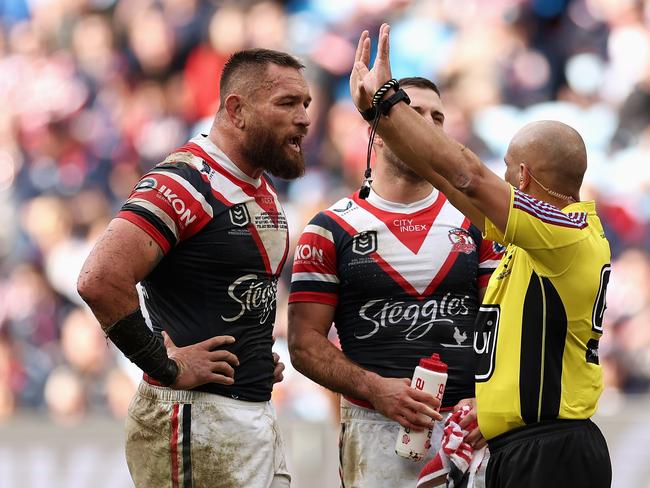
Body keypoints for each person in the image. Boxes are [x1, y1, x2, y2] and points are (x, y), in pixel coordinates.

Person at [348, 24, 612, 488]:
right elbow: (447, 179)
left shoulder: (563, 232)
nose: (501, 180)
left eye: (507, 170)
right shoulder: (534, 239)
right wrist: (379, 115)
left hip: (551, 450)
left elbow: (467, 175)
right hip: (520, 447)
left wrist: (390, 98)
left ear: (524, 176)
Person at [77, 48, 311, 488]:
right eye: (287, 103)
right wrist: (164, 364)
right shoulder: (185, 181)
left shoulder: (260, 188)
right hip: (193, 418)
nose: (303, 118)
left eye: (306, 105)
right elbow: (99, 280)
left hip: (250, 415)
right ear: (236, 110)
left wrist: (257, 356)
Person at [288, 76, 501, 487]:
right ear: (378, 132)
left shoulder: (478, 222)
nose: (425, 125)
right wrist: (375, 389)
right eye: (412, 113)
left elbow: (506, 325)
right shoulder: (330, 228)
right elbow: (304, 344)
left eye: (436, 118)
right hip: (373, 429)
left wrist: (492, 400)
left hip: (472, 427)